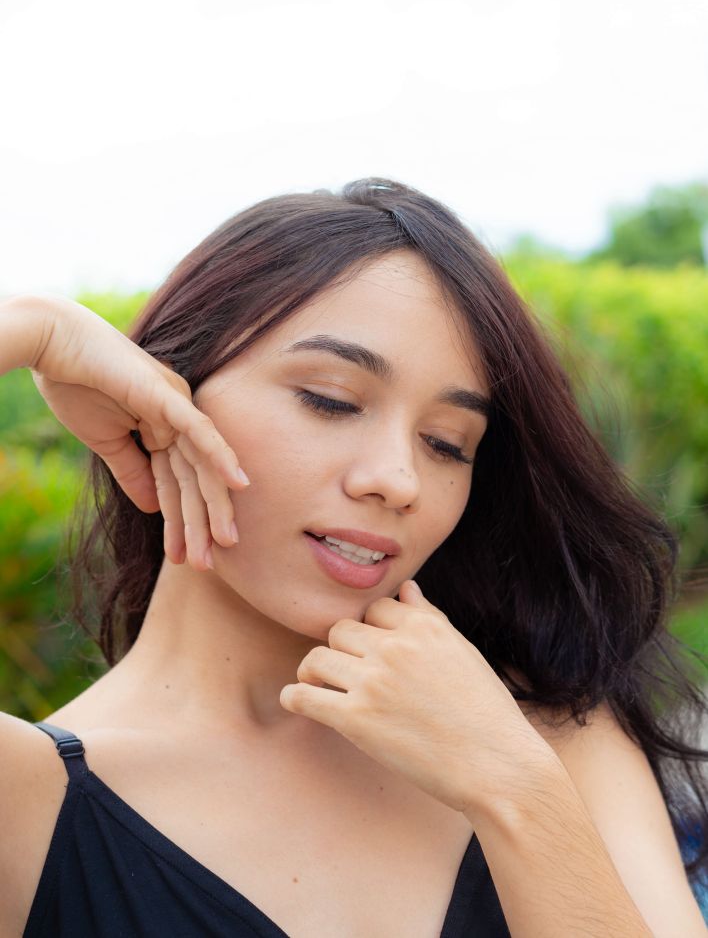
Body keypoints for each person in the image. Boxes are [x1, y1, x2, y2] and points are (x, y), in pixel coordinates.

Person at [0, 177, 706, 937]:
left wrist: (513, 790)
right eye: (331, 400)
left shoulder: (550, 740)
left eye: (447, 445)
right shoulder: (26, 799)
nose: (399, 480)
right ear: (164, 396)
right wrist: (34, 329)